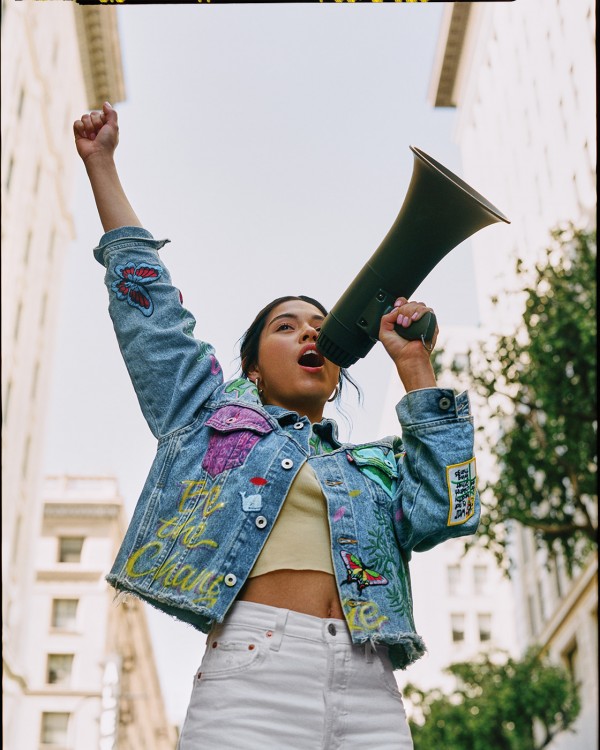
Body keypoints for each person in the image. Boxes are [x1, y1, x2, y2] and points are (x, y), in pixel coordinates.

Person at [74, 102, 480, 750]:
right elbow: (149, 310)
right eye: (285, 326)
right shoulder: (206, 415)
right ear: (252, 369)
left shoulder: (371, 470)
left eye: (319, 325)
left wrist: (416, 370)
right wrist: (102, 166)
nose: (308, 332)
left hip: (370, 689)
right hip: (252, 680)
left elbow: (447, 513)